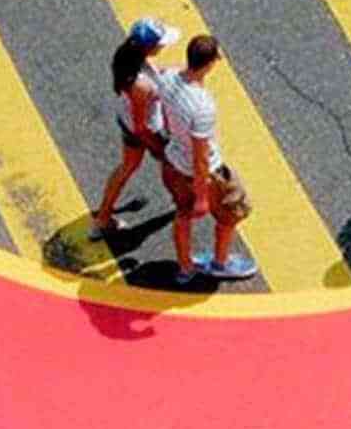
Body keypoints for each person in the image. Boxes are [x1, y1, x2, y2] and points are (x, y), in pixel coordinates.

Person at [155, 34, 257, 285]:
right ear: (210, 63)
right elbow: (201, 158)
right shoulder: (202, 106)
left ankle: (185, 267)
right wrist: (202, 197)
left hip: (173, 163)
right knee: (231, 213)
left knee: (182, 214)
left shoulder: (167, 79)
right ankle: (220, 263)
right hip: (201, 172)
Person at [88, 16, 180, 241]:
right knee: (173, 164)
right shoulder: (140, 86)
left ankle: (103, 217)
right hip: (144, 130)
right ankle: (185, 202)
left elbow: (153, 73)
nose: (163, 46)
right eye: (161, 43)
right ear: (149, 47)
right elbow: (141, 126)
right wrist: (156, 146)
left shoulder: (127, 57)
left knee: (127, 167)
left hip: (126, 119)